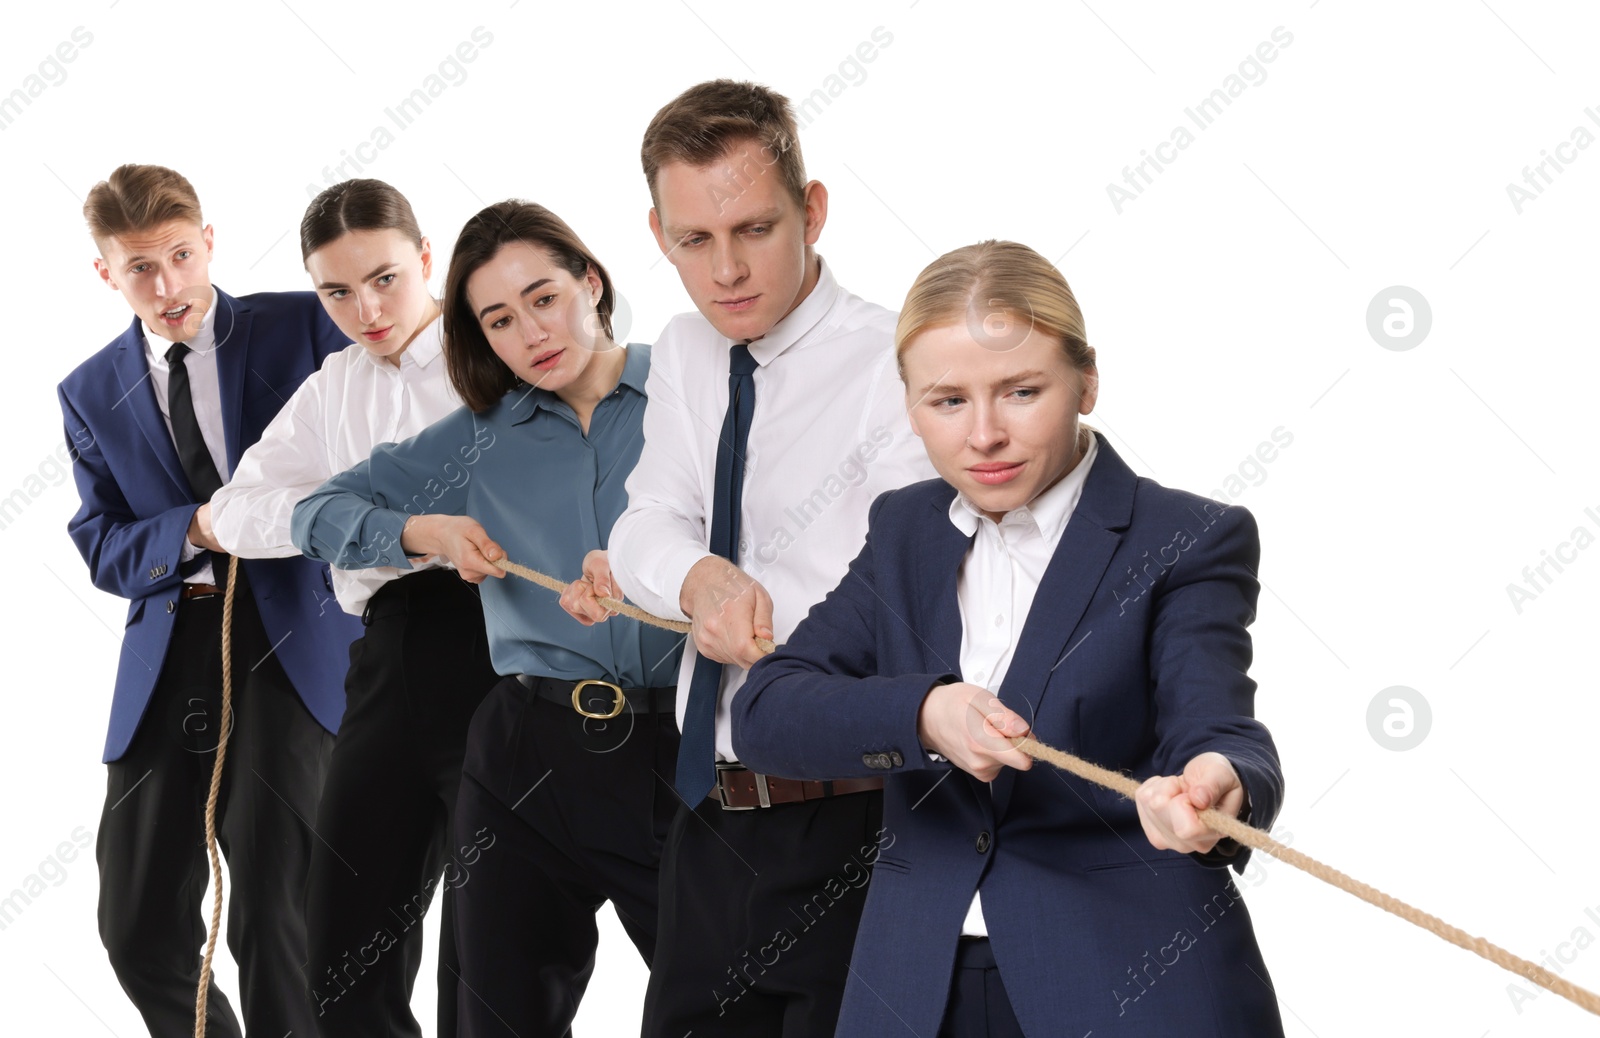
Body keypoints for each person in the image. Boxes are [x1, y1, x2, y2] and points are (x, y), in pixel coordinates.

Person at [732, 240, 1287, 1037]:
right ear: (909, 402)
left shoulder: (1189, 537)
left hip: (1130, 981)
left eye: (1021, 391)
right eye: (947, 401)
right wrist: (926, 717)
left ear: (1087, 379)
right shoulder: (904, 530)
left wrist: (1218, 782)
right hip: (915, 986)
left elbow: (1220, 726)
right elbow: (768, 713)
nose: (983, 434)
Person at [561, 79, 937, 1038]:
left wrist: (726, 586)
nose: (726, 269)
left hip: (851, 816)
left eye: (756, 229)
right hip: (703, 814)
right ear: (657, 235)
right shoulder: (686, 349)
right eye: (694, 241)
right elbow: (650, 519)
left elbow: (904, 590)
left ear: (812, 211)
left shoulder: (899, 362)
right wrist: (698, 577)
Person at [290, 199, 683, 1037]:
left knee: (718, 1005)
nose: (530, 334)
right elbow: (315, 512)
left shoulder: (693, 396)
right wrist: (415, 531)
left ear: (592, 281)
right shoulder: (480, 436)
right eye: (498, 320)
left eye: (543, 298)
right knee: (495, 1022)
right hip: (524, 760)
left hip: (680, 749)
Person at [56, 163, 361, 1037]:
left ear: (210, 242)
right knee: (135, 926)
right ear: (106, 274)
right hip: (171, 649)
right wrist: (192, 530)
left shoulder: (304, 326)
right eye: (139, 269)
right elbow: (102, 544)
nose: (166, 287)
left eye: (180, 257)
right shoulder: (86, 390)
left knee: (276, 912)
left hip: (293, 641)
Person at [207, 178, 499, 1037]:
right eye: (335, 291)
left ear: (426, 259)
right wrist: (365, 526)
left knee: (488, 950)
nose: (365, 309)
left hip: (510, 643)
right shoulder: (333, 388)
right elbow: (231, 511)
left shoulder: (501, 345)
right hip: (386, 653)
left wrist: (339, 511)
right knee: (342, 943)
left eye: (383, 279)